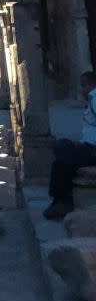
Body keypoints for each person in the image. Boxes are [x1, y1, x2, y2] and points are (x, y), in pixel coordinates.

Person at [45, 70, 96, 217]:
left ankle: (64, 201)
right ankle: (59, 198)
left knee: (62, 162)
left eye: (84, 85)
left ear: (91, 85)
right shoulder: (92, 99)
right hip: (87, 146)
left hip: (92, 149)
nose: (82, 89)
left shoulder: (95, 98)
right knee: (61, 147)